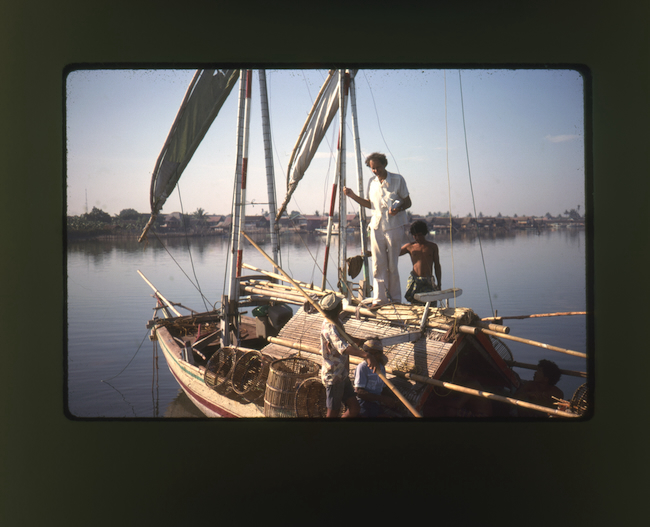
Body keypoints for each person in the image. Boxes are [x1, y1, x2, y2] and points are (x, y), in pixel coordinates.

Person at [343, 152, 411, 306]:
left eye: (378, 167)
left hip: (394, 226)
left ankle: (395, 299)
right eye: (373, 168)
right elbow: (370, 204)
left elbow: (408, 202)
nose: (375, 171)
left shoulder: (397, 180)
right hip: (376, 226)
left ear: (384, 165)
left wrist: (398, 209)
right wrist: (352, 195)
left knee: (392, 265)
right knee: (378, 264)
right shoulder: (372, 182)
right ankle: (379, 299)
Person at [319, 293, 381, 418]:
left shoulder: (336, 321)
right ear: (338, 308)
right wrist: (366, 355)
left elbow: (343, 335)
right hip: (334, 377)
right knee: (333, 413)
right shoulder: (330, 327)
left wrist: (357, 340)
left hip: (342, 374)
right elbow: (343, 348)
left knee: (354, 408)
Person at [353, 339, 399, 417]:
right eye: (370, 354)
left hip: (376, 403)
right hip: (363, 403)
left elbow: (383, 388)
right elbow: (359, 392)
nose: (373, 356)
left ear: (381, 354)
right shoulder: (363, 367)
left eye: (376, 353)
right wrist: (382, 398)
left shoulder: (381, 368)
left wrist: (393, 399)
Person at [399, 220, 441, 304]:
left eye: (420, 235)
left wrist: (439, 283)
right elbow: (393, 253)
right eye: (415, 235)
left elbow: (437, 265)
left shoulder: (432, 247)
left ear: (424, 233)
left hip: (428, 281)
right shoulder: (410, 246)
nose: (417, 238)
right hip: (415, 280)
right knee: (415, 304)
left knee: (431, 304)